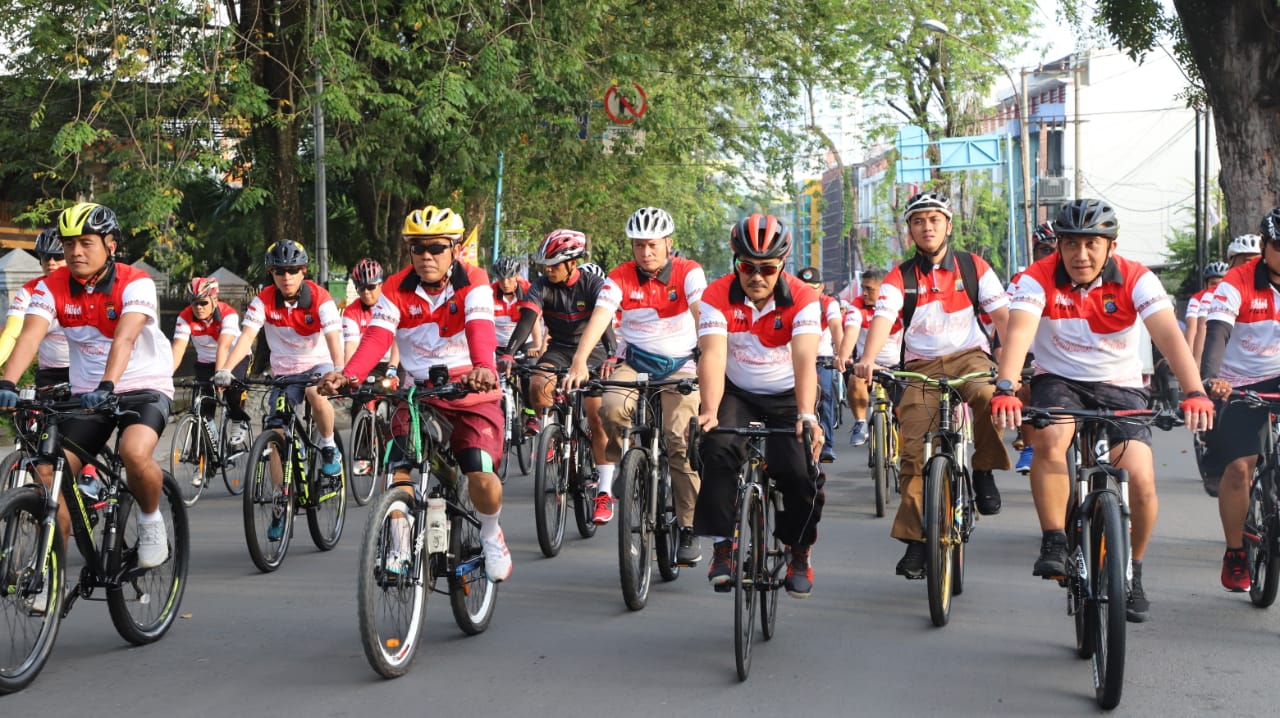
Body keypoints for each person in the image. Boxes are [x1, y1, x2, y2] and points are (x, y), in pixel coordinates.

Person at [991, 198, 1215, 623]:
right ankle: (1055, 539)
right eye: (1071, 244)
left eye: (1092, 243)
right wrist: (1005, 385)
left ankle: (1132, 568)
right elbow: (1019, 331)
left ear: (1112, 245)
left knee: (1143, 481)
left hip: (1121, 387)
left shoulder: (1137, 278)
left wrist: (1194, 390)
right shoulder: (1036, 278)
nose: (1081, 255)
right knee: (1052, 438)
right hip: (1059, 381)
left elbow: (1169, 335)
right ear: (1058, 245)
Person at [318, 205, 512, 582]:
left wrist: (484, 367)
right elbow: (377, 337)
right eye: (417, 248)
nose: (427, 257)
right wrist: (348, 376)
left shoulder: (474, 280)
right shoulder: (395, 287)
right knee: (399, 468)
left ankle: (491, 534)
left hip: (471, 390)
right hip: (418, 395)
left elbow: (480, 329)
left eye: (437, 248)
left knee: (480, 473)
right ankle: (400, 548)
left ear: (454, 248)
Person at [0, 202, 176, 585]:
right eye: (68, 244)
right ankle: (50, 573)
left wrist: (108, 385)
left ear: (110, 244)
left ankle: (150, 520)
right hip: (87, 394)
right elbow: (30, 336)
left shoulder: (136, 281)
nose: (75, 252)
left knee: (133, 452)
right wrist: (7, 383)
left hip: (142, 386)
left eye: (86, 242)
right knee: (49, 474)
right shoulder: (50, 288)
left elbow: (126, 337)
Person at [853, 191, 1011, 580]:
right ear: (910, 230)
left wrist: (1014, 365)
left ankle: (984, 469)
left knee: (989, 397)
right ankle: (915, 541)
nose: (927, 227)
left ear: (948, 225)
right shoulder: (900, 277)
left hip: (970, 357)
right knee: (912, 453)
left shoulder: (973, 267)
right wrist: (868, 359)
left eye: (934, 220)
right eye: (919, 221)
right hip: (921, 367)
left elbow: (1004, 318)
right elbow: (882, 318)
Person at [563, 206, 706, 566]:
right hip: (635, 363)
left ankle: (688, 526)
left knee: (678, 441)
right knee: (609, 408)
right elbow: (601, 315)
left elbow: (701, 311)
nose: (645, 252)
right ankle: (621, 470)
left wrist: (712, 355)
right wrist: (580, 362)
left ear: (668, 243)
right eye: (639, 245)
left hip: (680, 367)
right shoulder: (620, 276)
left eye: (652, 245)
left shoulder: (689, 272)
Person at [693, 213, 826, 597]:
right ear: (736, 263)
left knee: (798, 471)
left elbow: (804, 359)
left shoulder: (802, 296)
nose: (756, 276)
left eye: (767, 268)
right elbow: (714, 355)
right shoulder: (716, 295)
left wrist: (806, 415)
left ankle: (798, 550)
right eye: (747, 267)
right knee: (717, 447)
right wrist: (709, 410)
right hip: (737, 391)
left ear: (781, 265)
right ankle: (723, 546)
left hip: (787, 393)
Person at [213, 239, 345, 542]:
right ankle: (280, 501)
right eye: (280, 271)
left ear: (304, 271)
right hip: (284, 372)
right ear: (271, 273)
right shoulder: (263, 300)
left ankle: (328, 445)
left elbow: (334, 336)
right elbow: (247, 337)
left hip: (318, 364)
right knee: (276, 435)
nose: (287, 277)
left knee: (316, 393)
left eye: (293, 271)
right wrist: (225, 370)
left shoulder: (320, 298)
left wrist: (339, 369)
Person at [1200, 209, 1280, 593]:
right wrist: (1212, 378)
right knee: (1238, 468)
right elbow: (1217, 333)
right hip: (1239, 383)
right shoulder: (1237, 282)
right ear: (1264, 247)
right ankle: (1235, 552)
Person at [499, 229, 614, 480]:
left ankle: (604, 489)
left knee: (596, 418)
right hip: (560, 349)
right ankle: (553, 431)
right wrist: (508, 354)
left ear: (573, 263)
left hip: (593, 350)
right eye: (545, 266)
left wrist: (612, 354)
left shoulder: (593, 284)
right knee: (538, 385)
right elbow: (528, 319)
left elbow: (603, 322)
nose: (548, 270)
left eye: (554, 265)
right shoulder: (540, 286)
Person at [171, 276, 252, 454]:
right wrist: (165, 376)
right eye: (194, 303)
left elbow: (223, 346)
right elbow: (178, 347)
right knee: (200, 408)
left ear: (215, 300)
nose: (198, 308)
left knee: (232, 389)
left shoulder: (228, 314)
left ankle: (238, 420)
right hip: (205, 362)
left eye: (203, 303)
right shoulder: (185, 317)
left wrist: (221, 377)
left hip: (234, 358)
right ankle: (203, 457)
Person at [1009, 223, 1061, 474]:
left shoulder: (1078, 275)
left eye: (1056, 249)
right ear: (1033, 250)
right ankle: (1029, 447)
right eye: (1044, 249)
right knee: (1025, 390)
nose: (1051, 255)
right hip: (1032, 349)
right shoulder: (1021, 281)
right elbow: (1006, 324)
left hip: (1067, 353)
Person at [835, 268, 901, 446]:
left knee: (906, 411)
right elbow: (851, 331)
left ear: (884, 289)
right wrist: (843, 355)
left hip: (895, 365)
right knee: (855, 379)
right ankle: (860, 423)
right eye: (863, 288)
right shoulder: (857, 305)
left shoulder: (898, 304)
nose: (864, 293)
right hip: (866, 366)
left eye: (869, 289)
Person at [0, 227, 70, 388]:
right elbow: (12, 333)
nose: (51, 262)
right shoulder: (30, 290)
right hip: (49, 372)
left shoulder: (86, 288)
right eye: (46, 257)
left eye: (58, 256)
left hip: (86, 371)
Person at [797, 266, 843, 463]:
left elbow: (836, 327)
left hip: (822, 359)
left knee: (824, 395)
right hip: (798, 360)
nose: (808, 292)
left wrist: (841, 353)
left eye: (813, 287)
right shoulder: (791, 302)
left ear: (821, 287)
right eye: (803, 287)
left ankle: (828, 446)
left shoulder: (828, 304)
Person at [342, 258, 400, 381]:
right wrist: (347, 376)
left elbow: (398, 339)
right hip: (368, 364)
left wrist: (393, 366)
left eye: (371, 287)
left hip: (395, 361)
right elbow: (351, 346)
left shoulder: (393, 305)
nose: (366, 293)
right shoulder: (351, 311)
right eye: (361, 288)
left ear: (381, 285)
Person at [491, 257, 542, 360]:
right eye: (501, 278)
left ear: (517, 276)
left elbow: (533, 320)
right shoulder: (489, 292)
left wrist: (538, 346)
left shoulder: (529, 290)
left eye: (509, 278)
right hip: (499, 347)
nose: (505, 283)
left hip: (525, 344)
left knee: (533, 373)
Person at [1187, 262, 1229, 365]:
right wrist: (1192, 363)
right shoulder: (1198, 298)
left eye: (1222, 283)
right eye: (1213, 284)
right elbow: (1193, 328)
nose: (1217, 288)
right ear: (1206, 284)